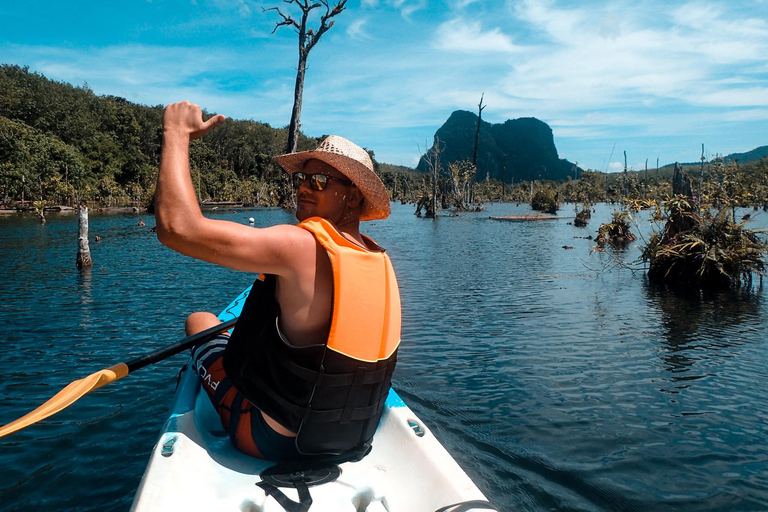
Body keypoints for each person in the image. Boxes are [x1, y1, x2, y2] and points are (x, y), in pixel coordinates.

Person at [155, 101, 401, 463]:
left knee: (201, 322)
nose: (304, 187)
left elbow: (177, 228)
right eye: (301, 178)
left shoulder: (299, 244)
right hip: (353, 437)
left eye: (319, 181)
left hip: (272, 439)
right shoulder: (378, 258)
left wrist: (175, 133)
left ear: (352, 197)